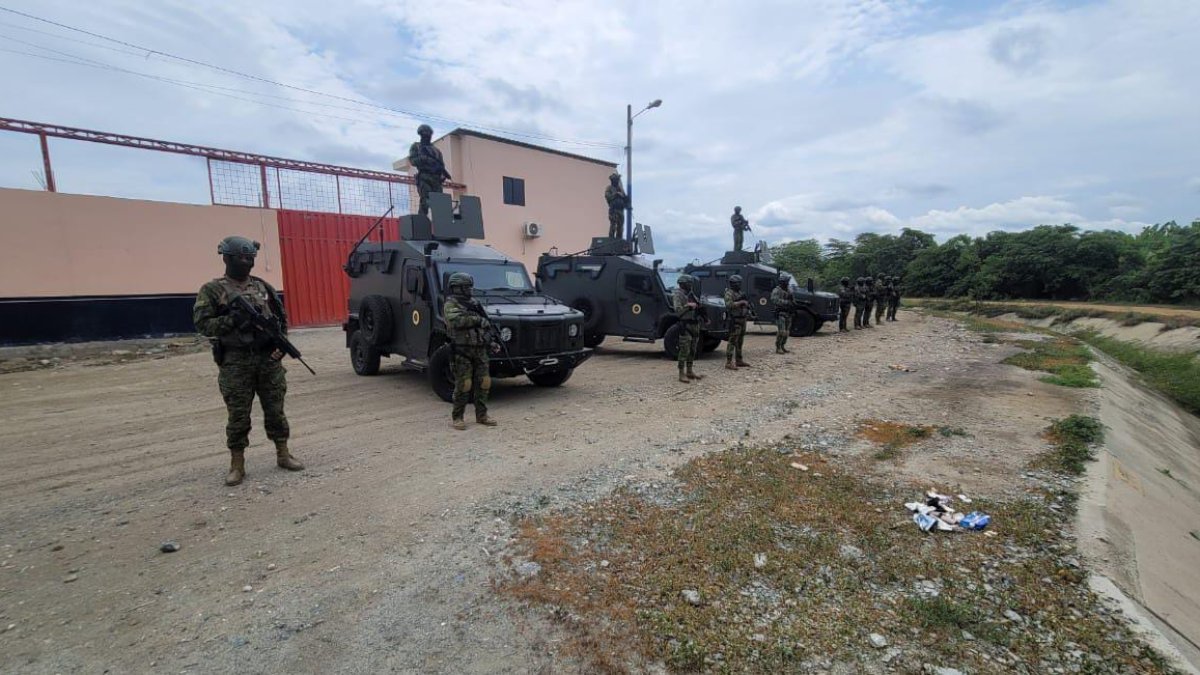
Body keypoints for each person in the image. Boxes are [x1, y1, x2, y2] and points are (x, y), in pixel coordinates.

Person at [193, 236, 304, 486]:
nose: (246, 262)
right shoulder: (212, 290)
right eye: (241, 258)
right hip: (236, 361)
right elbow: (202, 324)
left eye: (250, 258)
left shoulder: (263, 287)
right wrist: (232, 321)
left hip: (268, 360)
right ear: (226, 258)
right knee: (238, 415)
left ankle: (283, 454)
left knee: (275, 410)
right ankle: (237, 464)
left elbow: (280, 321)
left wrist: (281, 347)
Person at [443, 272, 498, 430]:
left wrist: (491, 341)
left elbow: (485, 326)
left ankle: (482, 415)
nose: (469, 290)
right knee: (464, 384)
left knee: (484, 382)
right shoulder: (451, 304)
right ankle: (458, 417)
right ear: (457, 288)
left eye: (469, 287)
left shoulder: (474, 303)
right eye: (466, 287)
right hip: (462, 351)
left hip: (480, 349)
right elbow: (456, 321)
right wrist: (477, 320)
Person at [408, 124, 452, 218]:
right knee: (425, 201)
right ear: (421, 135)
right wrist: (425, 159)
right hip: (424, 176)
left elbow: (441, 165)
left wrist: (442, 175)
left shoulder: (436, 151)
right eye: (425, 135)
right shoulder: (416, 147)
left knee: (439, 203)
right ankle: (421, 221)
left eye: (428, 135)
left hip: (436, 179)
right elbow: (413, 161)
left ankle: (441, 222)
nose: (427, 136)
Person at [671, 274, 705, 383]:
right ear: (683, 284)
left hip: (695, 324)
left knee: (693, 349)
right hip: (685, 325)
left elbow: (698, 305)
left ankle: (689, 371)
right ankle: (681, 373)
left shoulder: (691, 294)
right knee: (684, 350)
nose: (691, 285)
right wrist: (688, 306)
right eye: (689, 283)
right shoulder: (678, 295)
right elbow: (678, 311)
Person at [723, 274, 751, 369]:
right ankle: (728, 362)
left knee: (740, 341)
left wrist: (747, 307)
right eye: (737, 283)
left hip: (742, 319)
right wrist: (740, 302)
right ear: (732, 284)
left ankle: (739, 360)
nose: (739, 285)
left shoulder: (741, 293)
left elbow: (746, 304)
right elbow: (729, 305)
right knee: (732, 341)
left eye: (740, 283)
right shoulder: (729, 293)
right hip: (734, 320)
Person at [770, 275, 795, 353]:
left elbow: (792, 300)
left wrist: (793, 303)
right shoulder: (776, 290)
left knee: (787, 332)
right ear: (782, 282)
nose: (788, 283)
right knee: (781, 331)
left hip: (788, 313)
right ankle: (778, 347)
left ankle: (783, 345)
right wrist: (786, 302)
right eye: (786, 282)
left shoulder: (789, 290)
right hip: (780, 313)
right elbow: (774, 300)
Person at [604, 173, 628, 239]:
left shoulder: (620, 189)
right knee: (613, 225)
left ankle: (619, 239)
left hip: (620, 209)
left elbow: (625, 198)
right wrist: (616, 194)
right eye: (615, 180)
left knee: (620, 226)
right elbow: (607, 196)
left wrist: (622, 196)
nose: (616, 181)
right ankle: (611, 239)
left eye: (617, 180)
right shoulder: (609, 188)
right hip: (613, 209)